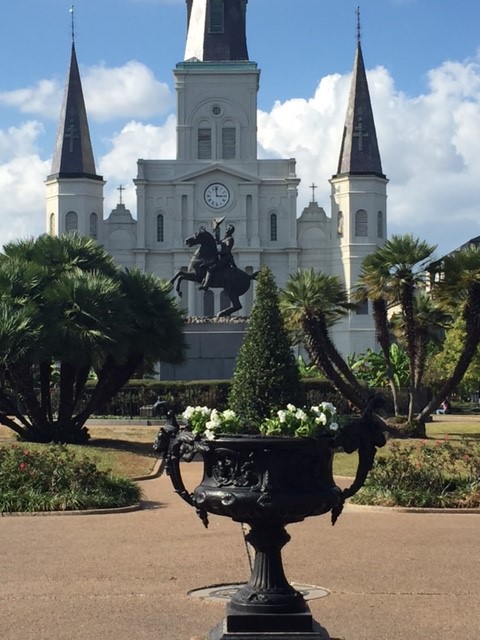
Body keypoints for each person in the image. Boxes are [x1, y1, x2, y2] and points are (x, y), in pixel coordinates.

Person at [199, 222, 236, 291]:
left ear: (229, 230)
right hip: (222, 258)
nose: (226, 230)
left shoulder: (230, 239)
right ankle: (204, 281)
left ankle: (206, 285)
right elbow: (218, 241)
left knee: (211, 268)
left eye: (227, 229)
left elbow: (227, 250)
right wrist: (217, 230)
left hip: (225, 259)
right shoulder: (226, 238)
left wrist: (218, 253)